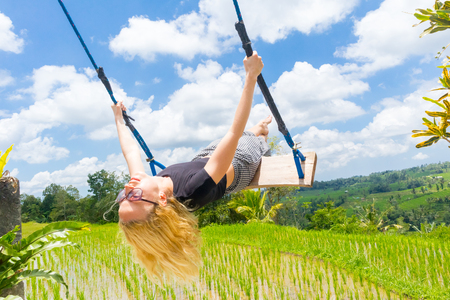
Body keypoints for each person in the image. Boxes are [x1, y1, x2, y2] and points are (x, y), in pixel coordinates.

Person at [112, 51, 271, 283]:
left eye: (122, 197)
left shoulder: (143, 186)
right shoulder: (195, 190)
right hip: (240, 161)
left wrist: (118, 118)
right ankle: (262, 134)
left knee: (251, 132)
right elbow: (233, 134)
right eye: (133, 196)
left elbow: (130, 151)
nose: (127, 189)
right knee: (251, 139)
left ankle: (261, 127)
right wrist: (251, 76)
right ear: (162, 201)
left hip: (205, 157)